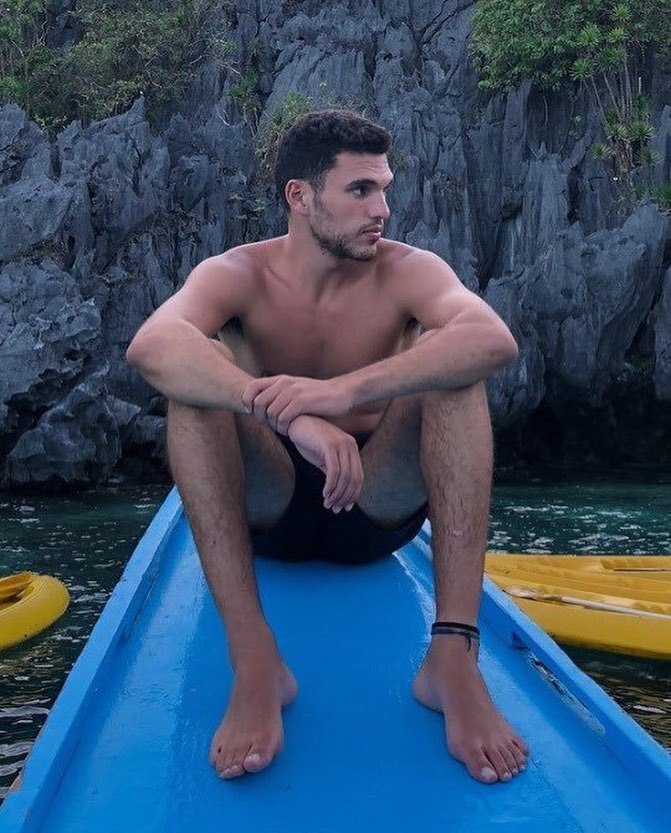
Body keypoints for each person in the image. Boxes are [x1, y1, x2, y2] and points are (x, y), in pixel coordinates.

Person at [126, 109, 528, 785]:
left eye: (384, 189)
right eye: (360, 190)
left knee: (454, 364)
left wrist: (341, 393)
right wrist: (290, 417)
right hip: (268, 509)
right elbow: (152, 345)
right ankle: (255, 658)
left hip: (374, 504)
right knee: (194, 378)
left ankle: (453, 655)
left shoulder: (408, 271)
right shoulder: (238, 274)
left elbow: (492, 339)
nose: (382, 209)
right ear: (300, 196)